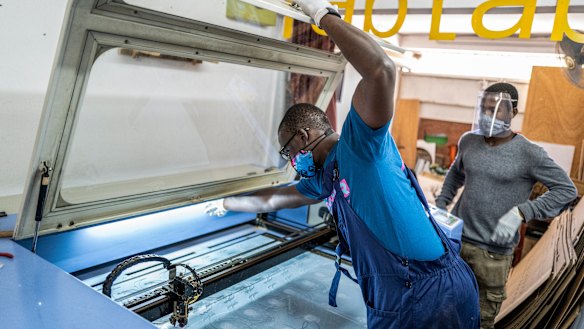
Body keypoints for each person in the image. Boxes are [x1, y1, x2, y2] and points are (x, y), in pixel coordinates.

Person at [206, 0, 480, 327]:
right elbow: (276, 197)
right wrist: (225, 202)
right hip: (397, 294)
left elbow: (381, 70)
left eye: (288, 150)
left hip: (428, 291)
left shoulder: (360, 144)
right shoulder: (325, 179)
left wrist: (322, 15)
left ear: (304, 136)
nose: (291, 160)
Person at [435, 82, 578, 329]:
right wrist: (440, 206)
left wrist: (523, 212)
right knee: (443, 311)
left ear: (513, 112)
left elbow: (567, 190)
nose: (488, 115)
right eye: (484, 108)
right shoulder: (469, 141)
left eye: (496, 110)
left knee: (480, 321)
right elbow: (456, 174)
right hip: (455, 243)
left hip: (492, 256)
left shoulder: (529, 153)